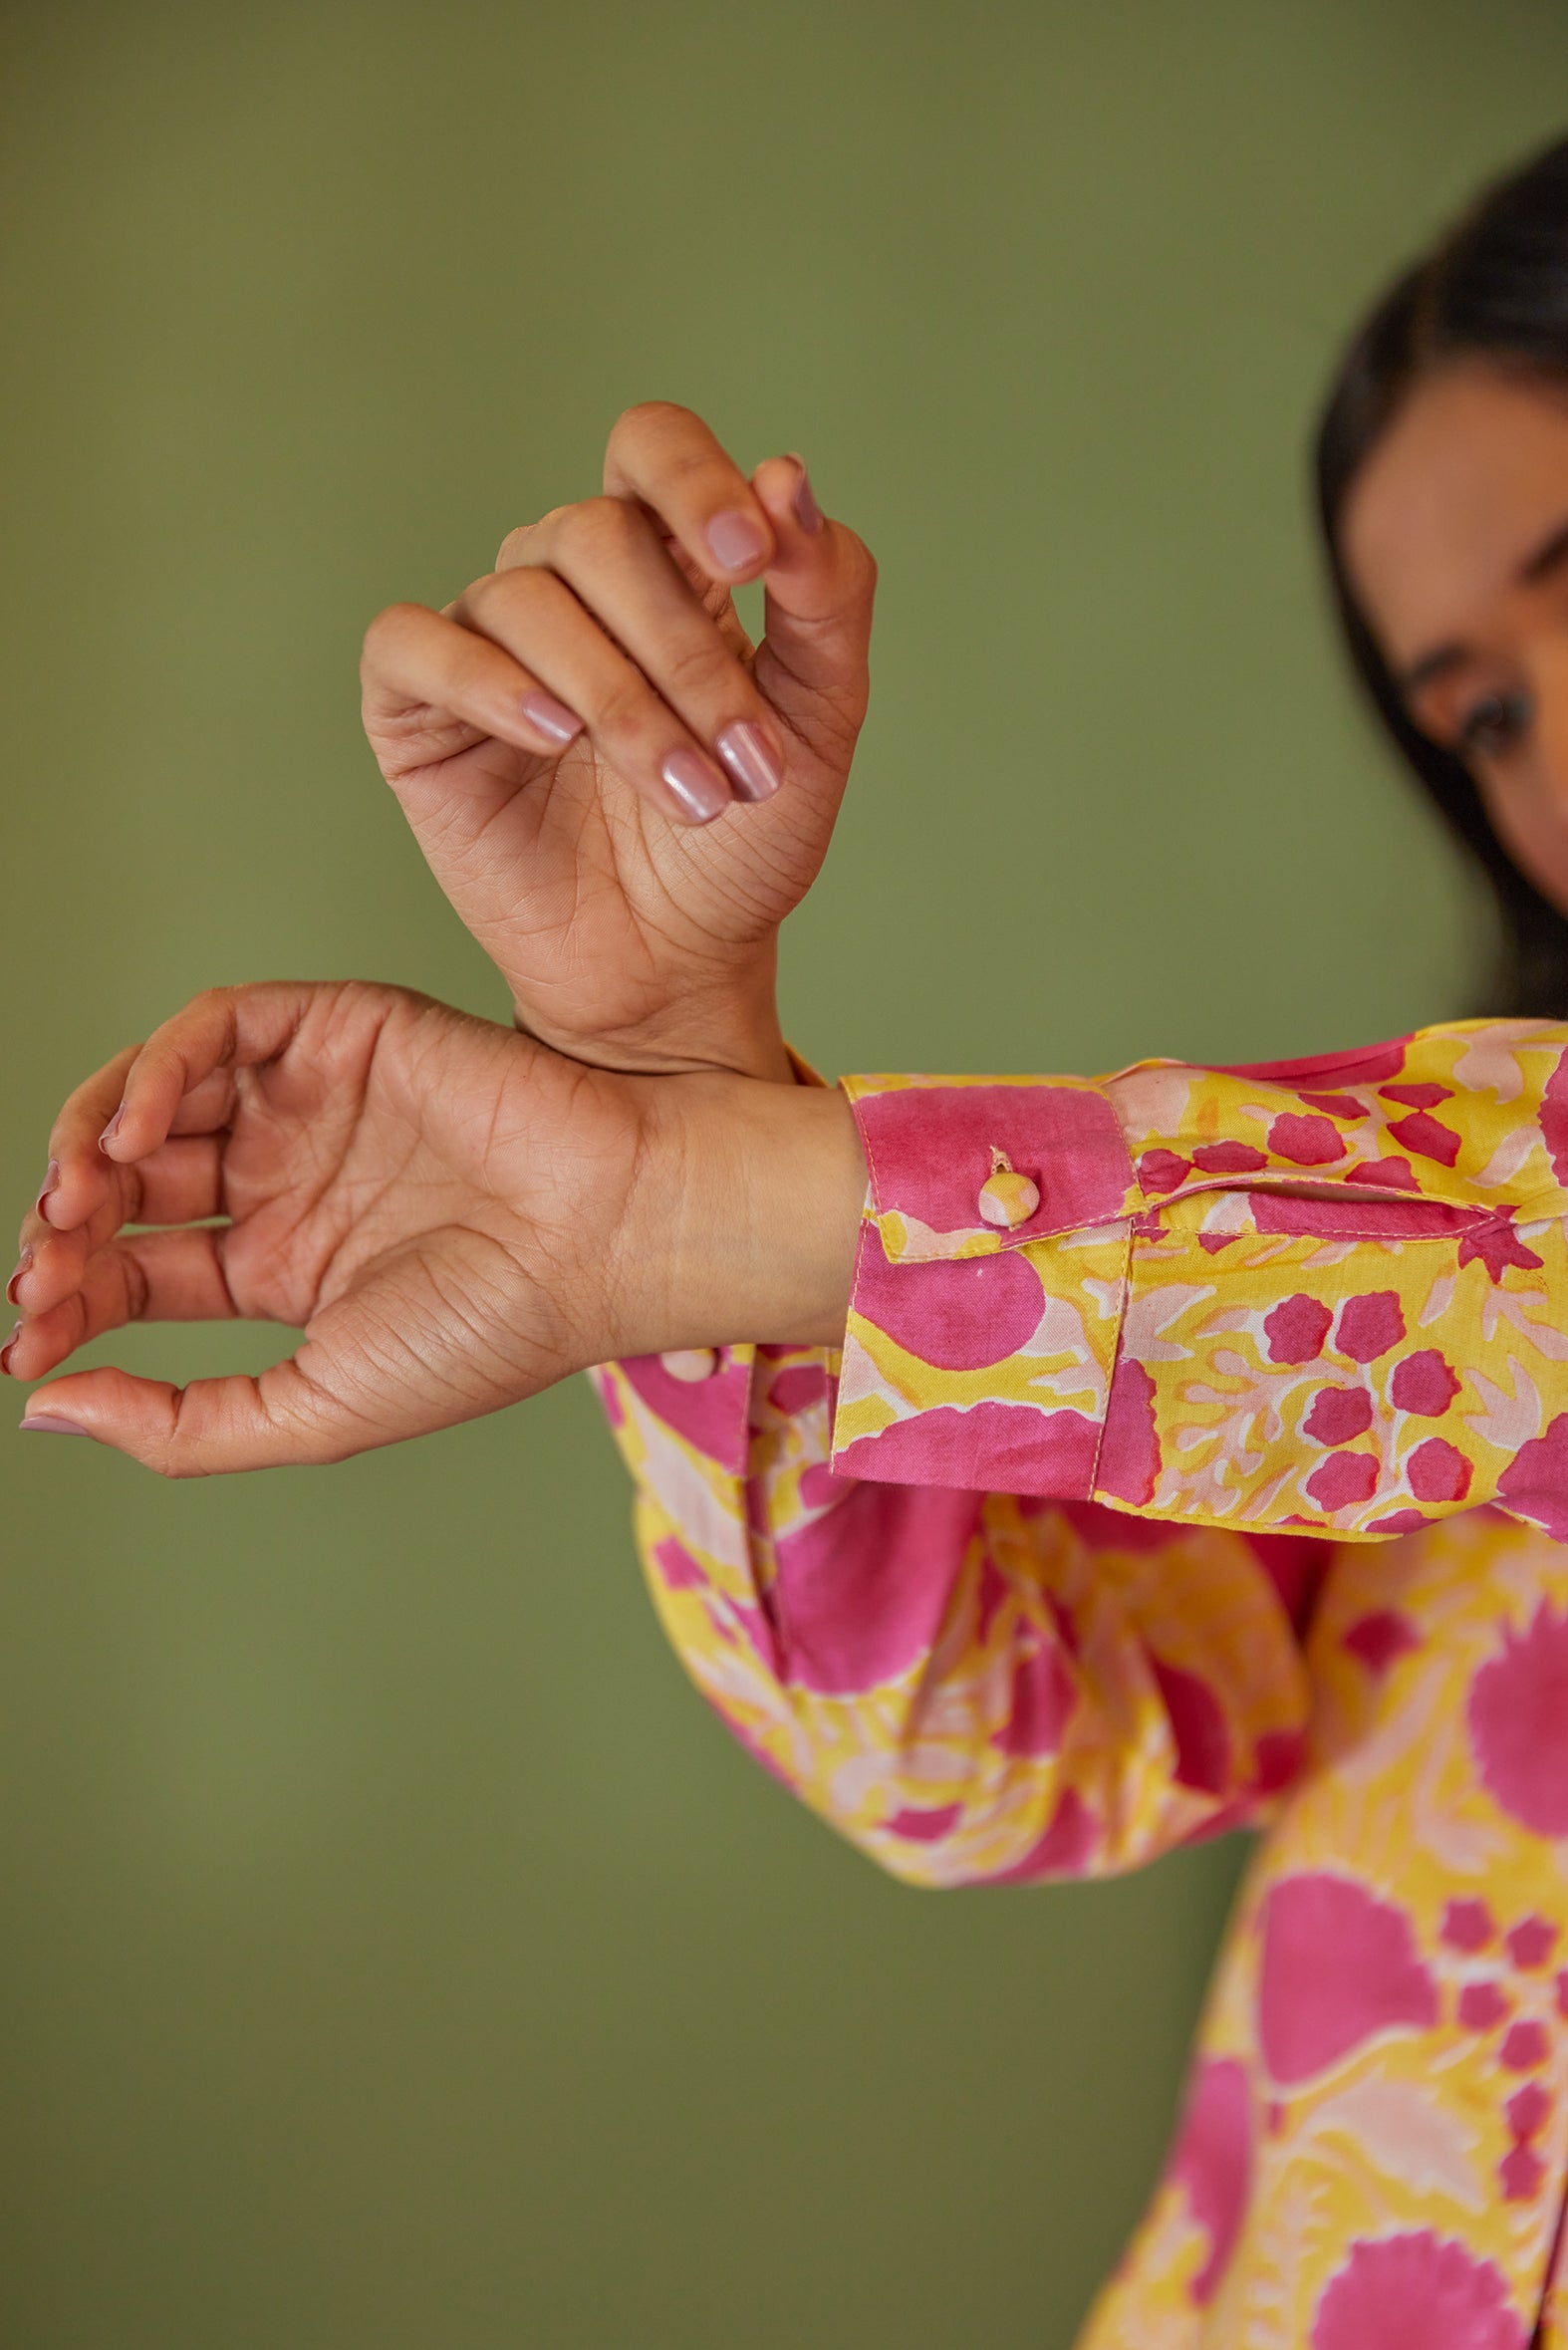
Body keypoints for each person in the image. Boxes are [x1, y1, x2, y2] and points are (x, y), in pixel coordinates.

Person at [14, 130, 1568, 2349]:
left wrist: (687, 1198)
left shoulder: (1461, 1237)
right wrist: (663, 1081)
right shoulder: (1384, 1267)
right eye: (1485, 715)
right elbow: (989, 1751)